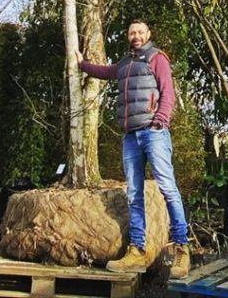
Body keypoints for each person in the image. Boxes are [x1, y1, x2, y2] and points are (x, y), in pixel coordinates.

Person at [77, 20, 190, 278]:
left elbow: (168, 93)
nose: (136, 36)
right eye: (132, 32)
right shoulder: (126, 64)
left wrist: (160, 121)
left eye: (140, 32)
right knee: (134, 194)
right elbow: (106, 72)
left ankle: (182, 250)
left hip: (154, 133)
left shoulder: (156, 58)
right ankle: (136, 251)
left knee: (168, 188)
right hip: (130, 136)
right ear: (128, 37)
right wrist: (82, 64)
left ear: (148, 34)